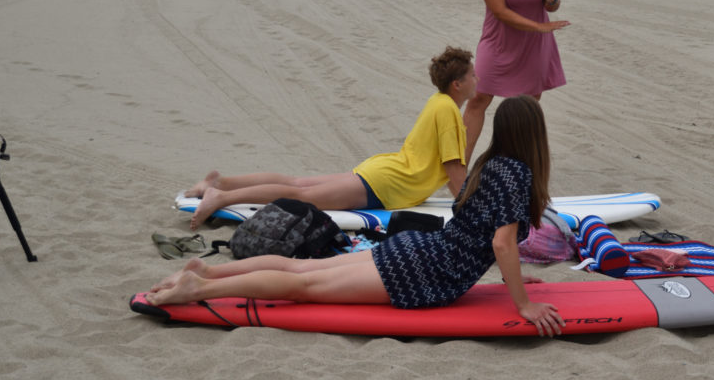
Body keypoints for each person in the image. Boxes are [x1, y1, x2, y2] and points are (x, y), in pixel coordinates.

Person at [147, 96, 566, 337]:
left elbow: (478, 229)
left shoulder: (490, 163)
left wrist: (513, 274)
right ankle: (198, 288)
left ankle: (207, 274)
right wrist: (523, 303)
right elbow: (499, 241)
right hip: (427, 270)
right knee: (304, 286)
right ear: (535, 134)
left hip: (422, 249)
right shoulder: (518, 172)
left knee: (301, 270)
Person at [184, 47, 477, 230]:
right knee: (303, 196)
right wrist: (471, 210)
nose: (477, 80)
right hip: (388, 185)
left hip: (385, 174)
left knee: (297, 183)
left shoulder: (438, 102)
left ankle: (220, 182)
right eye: (472, 75)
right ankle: (221, 196)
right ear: (458, 84)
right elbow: (454, 169)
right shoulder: (449, 111)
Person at [464, 0, 571, 159]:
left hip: (534, 44)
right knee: (478, 98)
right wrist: (538, 26)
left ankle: (518, 162)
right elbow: (500, 12)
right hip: (498, 41)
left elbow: (553, 5)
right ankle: (459, 162)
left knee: (527, 106)